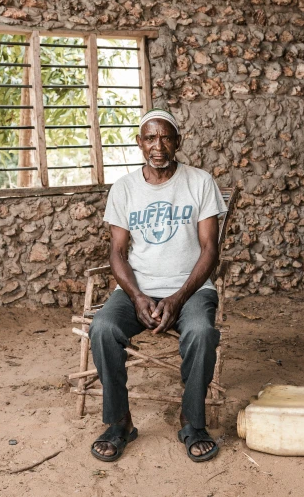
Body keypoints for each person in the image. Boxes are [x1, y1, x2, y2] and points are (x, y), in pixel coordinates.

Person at [89, 109, 227, 463]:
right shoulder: (124, 188)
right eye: (150, 138)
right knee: (103, 329)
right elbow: (117, 252)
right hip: (138, 291)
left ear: (177, 142)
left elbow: (211, 249)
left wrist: (179, 298)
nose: (158, 145)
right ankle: (119, 423)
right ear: (139, 143)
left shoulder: (199, 182)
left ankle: (192, 422)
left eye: (166, 137)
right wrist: (136, 296)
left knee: (200, 332)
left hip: (191, 289)